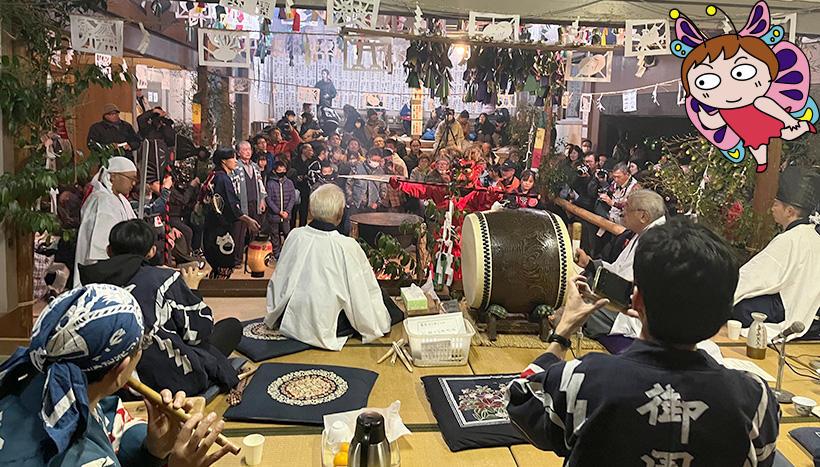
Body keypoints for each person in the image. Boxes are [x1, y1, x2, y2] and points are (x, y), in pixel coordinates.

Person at [506, 218, 780, 467]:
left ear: (636, 300)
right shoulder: (755, 398)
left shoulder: (582, 380)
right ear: (724, 311)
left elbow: (519, 399)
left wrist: (562, 333)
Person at [0, 283, 230, 467]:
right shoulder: (80, 458)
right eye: (143, 344)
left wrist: (154, 451)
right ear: (121, 370)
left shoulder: (35, 382)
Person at [79, 219, 241, 396]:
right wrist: (193, 290)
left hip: (110, 384)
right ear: (151, 252)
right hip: (169, 382)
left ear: (109, 250)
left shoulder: (88, 289)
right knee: (230, 328)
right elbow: (198, 332)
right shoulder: (164, 279)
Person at [264, 184, 391, 350]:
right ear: (340, 214)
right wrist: (376, 322)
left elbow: (281, 278)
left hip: (290, 317)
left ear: (311, 210)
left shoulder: (295, 235)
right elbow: (361, 291)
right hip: (328, 323)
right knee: (380, 296)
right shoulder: (346, 245)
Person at [732, 167, 820, 339]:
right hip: (808, 309)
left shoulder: (791, 239)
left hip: (786, 307)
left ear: (789, 211)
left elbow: (756, 276)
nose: (772, 208)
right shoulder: (814, 236)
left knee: (740, 307)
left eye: (776, 204)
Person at [575, 189, 666, 338]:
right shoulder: (645, 233)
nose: (623, 213)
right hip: (627, 297)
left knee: (584, 307)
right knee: (584, 281)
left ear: (643, 216)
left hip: (636, 313)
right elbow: (619, 269)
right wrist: (589, 264)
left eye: (627, 208)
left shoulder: (657, 240)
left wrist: (591, 295)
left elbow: (625, 285)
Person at [74, 157, 138, 287]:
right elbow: (100, 247)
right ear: (113, 176)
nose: (133, 183)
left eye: (135, 179)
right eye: (130, 178)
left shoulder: (120, 199)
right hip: (104, 272)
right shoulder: (101, 201)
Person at [200, 148, 260, 279]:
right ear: (223, 161)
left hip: (211, 226)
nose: (236, 161)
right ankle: (218, 291)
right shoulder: (222, 179)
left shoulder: (214, 175)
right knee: (224, 264)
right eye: (233, 158)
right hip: (220, 229)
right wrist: (247, 219)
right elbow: (230, 205)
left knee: (217, 266)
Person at [230, 141, 267, 268]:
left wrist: (262, 199)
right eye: (244, 149)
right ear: (239, 152)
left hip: (255, 202)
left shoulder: (255, 167)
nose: (247, 151)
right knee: (239, 232)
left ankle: (253, 257)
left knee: (254, 230)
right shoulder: (235, 166)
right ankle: (237, 260)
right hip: (241, 203)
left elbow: (260, 184)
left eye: (249, 149)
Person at [265, 160, 296, 260]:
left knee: (287, 233)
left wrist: (287, 211)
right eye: (279, 170)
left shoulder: (289, 183)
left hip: (286, 215)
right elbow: (268, 199)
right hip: (274, 215)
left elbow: (292, 198)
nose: (282, 171)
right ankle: (276, 252)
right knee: (275, 235)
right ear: (274, 171)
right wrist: (278, 211)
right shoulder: (270, 183)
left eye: (284, 170)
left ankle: (287, 251)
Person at [291, 143, 315, 228]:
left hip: (305, 189)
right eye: (309, 150)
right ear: (303, 150)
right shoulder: (294, 161)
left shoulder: (311, 162)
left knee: (304, 211)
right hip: (295, 188)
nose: (312, 152)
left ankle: (302, 228)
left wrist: (304, 177)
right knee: (293, 210)